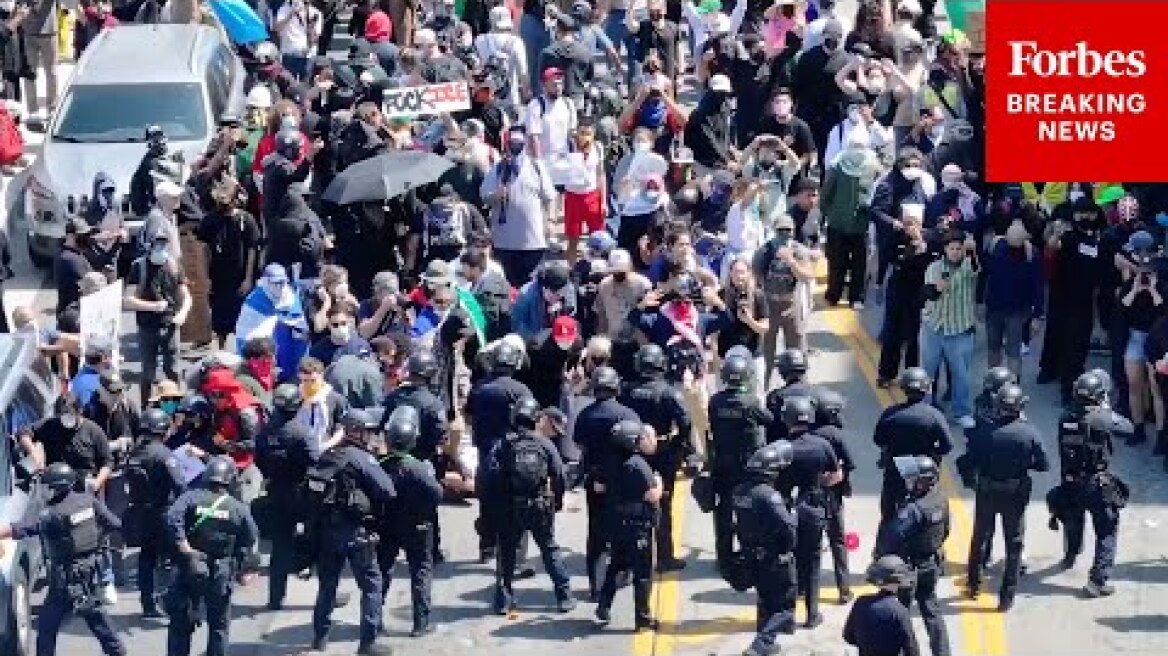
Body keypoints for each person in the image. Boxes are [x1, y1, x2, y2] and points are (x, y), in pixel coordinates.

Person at [0, 463, 125, 656]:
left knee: (48, 626)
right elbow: (114, 523)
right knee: (95, 616)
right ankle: (118, 651)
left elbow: (24, 528)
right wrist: (95, 540)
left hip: (67, 577)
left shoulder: (53, 512)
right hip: (90, 568)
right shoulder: (89, 501)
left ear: (55, 487)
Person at [306, 409, 397, 655]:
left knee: (327, 585)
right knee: (371, 585)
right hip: (356, 532)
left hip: (327, 532)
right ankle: (368, 642)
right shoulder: (360, 457)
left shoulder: (329, 455)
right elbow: (388, 490)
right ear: (355, 431)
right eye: (368, 431)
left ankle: (319, 638)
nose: (371, 436)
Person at [484, 395, 575, 614]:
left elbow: (489, 476)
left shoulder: (503, 444)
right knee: (549, 549)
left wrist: (493, 508)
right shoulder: (544, 444)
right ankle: (564, 596)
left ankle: (503, 601)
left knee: (506, 553)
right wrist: (558, 501)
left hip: (510, 506)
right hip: (539, 505)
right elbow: (560, 476)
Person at [965, 383, 1050, 610]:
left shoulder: (984, 432)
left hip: (987, 492)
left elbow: (969, 461)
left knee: (980, 536)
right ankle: (1007, 597)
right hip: (1014, 494)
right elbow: (1043, 464)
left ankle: (973, 583)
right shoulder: (1028, 432)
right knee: (1014, 544)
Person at [165, 457, 259, 656]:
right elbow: (251, 536)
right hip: (220, 572)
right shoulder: (238, 508)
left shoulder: (190, 498)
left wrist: (184, 546)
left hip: (189, 567)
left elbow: (172, 518)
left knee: (180, 625)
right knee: (218, 627)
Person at [1053, 371, 1132, 597]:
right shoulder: (1101, 418)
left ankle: (1071, 554)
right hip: (1096, 484)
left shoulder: (1065, 416)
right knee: (1107, 530)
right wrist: (1106, 409)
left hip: (1070, 480)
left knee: (1072, 520)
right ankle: (1098, 581)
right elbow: (1127, 428)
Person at [620, 343, 693, 571]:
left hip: (632, 453)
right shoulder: (668, 391)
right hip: (662, 453)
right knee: (663, 504)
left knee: (631, 504)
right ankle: (664, 557)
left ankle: (631, 556)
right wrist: (678, 446)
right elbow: (685, 422)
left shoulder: (626, 390)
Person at [373, 406, 444, 635]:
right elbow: (437, 495)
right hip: (418, 526)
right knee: (421, 571)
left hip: (387, 526)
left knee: (382, 571)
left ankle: (374, 620)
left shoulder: (380, 466)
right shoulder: (419, 468)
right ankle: (420, 624)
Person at [573, 365, 640, 599]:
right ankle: (624, 573)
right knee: (627, 531)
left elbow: (579, 443)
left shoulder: (585, 415)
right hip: (623, 482)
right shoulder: (627, 415)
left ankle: (597, 586)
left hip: (595, 481)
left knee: (597, 534)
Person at [775, 394, 841, 629]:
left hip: (786, 510)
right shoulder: (822, 445)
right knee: (812, 563)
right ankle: (812, 614)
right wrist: (820, 483)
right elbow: (836, 475)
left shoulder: (782, 449)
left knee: (788, 562)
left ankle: (787, 617)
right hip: (813, 508)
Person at [875, 455, 950, 656]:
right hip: (931, 564)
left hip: (909, 570)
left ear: (923, 482)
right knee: (932, 612)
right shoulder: (941, 499)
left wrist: (881, 558)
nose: (908, 481)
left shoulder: (912, 510)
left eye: (912, 478)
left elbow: (892, 537)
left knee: (901, 615)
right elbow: (946, 531)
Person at [253, 385, 319, 610]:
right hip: (302, 493)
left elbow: (259, 460)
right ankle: (323, 592)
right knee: (318, 541)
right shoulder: (303, 432)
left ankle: (275, 597)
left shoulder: (265, 432)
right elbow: (314, 461)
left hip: (277, 492)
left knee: (280, 547)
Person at [594, 419, 662, 631]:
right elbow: (652, 495)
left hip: (615, 523)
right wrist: (659, 482)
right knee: (642, 574)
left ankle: (604, 604)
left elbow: (598, 487)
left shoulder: (608, 461)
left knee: (615, 566)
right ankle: (642, 617)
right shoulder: (638, 465)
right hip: (637, 526)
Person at [731, 441, 797, 656]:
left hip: (750, 555)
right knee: (785, 606)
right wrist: (788, 547)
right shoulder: (768, 496)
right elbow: (787, 527)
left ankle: (767, 644)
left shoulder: (739, 492)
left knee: (765, 600)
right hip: (772, 557)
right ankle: (761, 644)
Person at [707, 353, 772, 570]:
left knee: (723, 510)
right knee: (748, 509)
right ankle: (747, 552)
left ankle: (724, 557)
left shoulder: (715, 401)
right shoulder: (751, 402)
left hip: (723, 464)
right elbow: (769, 420)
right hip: (747, 465)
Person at [123, 408, 186, 619]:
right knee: (172, 558)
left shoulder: (134, 453)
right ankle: (170, 602)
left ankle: (147, 604)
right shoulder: (164, 454)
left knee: (146, 558)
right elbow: (179, 484)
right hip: (162, 512)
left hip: (140, 513)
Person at [873, 367, 953, 528]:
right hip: (924, 472)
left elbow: (878, 439)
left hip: (896, 468)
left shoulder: (891, 413)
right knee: (929, 513)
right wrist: (932, 454)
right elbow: (947, 445)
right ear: (926, 389)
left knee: (889, 514)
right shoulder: (934, 415)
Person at [481, 125, 557, 285]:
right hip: (505, 241)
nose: (515, 148)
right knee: (508, 284)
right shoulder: (498, 169)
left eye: (519, 144)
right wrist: (496, 195)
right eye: (512, 144)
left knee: (531, 285)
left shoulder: (536, 167)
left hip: (532, 241)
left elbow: (550, 197)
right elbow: (484, 196)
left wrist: (550, 221)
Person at [124, 230, 193, 406]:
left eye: (164, 244)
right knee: (148, 372)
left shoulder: (174, 266)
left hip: (170, 325)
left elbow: (186, 294)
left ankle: (174, 408)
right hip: (147, 327)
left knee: (173, 370)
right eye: (157, 244)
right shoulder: (139, 267)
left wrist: (183, 313)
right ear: (149, 245)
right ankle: (146, 408)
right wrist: (152, 306)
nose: (161, 248)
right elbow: (128, 300)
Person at [921, 230, 979, 428]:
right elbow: (927, 293)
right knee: (928, 372)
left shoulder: (968, 266)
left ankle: (961, 411)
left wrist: (971, 250)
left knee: (961, 374)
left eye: (958, 249)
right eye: (951, 248)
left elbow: (976, 269)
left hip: (959, 330)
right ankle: (924, 409)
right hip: (935, 328)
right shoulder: (934, 267)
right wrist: (936, 289)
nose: (955, 252)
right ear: (945, 249)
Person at [810, 388, 856, 603]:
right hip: (833, 496)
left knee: (811, 547)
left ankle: (808, 590)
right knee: (838, 541)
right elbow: (851, 464)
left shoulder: (807, 433)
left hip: (810, 496)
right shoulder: (836, 435)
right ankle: (844, 589)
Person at [19, 393, 114, 492]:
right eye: (62, 414)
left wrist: (97, 482)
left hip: (84, 489)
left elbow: (108, 461)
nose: (66, 418)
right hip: (56, 487)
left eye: (70, 414)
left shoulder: (94, 431)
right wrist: (33, 452)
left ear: (79, 411)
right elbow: (24, 432)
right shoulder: (51, 425)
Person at [843, 555, 921, 656]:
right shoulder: (900, 612)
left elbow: (848, 636)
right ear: (898, 581)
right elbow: (912, 650)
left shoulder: (860, 602)